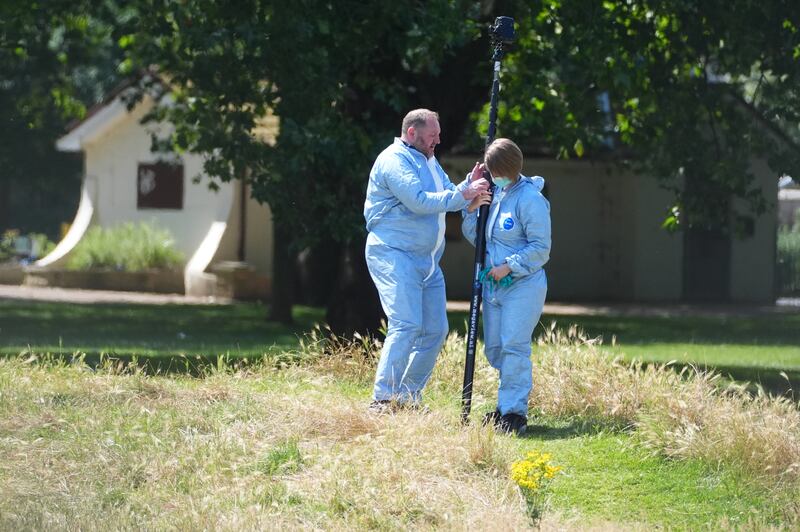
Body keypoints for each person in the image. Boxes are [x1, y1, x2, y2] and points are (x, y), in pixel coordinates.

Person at [363, 109, 489, 411]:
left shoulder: (429, 160)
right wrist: (465, 193)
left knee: (434, 330)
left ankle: (407, 397)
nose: (438, 140)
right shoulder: (394, 161)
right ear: (412, 133)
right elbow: (420, 202)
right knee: (406, 325)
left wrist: (469, 189)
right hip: (394, 255)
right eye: (433, 135)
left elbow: (449, 194)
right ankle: (382, 399)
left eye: (438, 134)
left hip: (429, 263)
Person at [461, 138, 551, 435]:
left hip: (522, 285)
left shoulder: (530, 199)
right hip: (493, 285)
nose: (494, 176)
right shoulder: (495, 193)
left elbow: (541, 248)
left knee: (514, 346)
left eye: (495, 171)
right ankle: (506, 404)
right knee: (496, 350)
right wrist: (472, 208)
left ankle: (513, 413)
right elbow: (477, 238)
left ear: (507, 168)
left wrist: (509, 266)